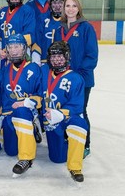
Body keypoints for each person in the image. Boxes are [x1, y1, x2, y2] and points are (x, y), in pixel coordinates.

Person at [53, 0, 98, 158]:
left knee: (80, 111)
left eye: (74, 6)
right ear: (63, 9)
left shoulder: (86, 28)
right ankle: (68, 139)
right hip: (63, 79)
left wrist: (77, 75)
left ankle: (85, 144)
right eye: (67, 6)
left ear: (78, 8)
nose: (70, 9)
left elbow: (92, 55)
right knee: (66, 110)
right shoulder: (59, 29)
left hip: (82, 79)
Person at [41, 41, 88, 182]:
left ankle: (75, 166)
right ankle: (65, 143)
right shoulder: (43, 71)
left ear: (67, 57)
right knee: (57, 158)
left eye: (60, 56)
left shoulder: (75, 78)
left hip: (67, 118)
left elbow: (77, 106)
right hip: (49, 120)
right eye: (53, 57)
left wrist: (60, 114)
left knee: (80, 124)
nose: (56, 60)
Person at [0, 34, 42, 176]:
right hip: (8, 116)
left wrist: (25, 103)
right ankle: (31, 131)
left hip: (26, 112)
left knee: (22, 112)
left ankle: (26, 158)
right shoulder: (5, 69)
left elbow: (42, 95)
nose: (14, 50)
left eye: (17, 46)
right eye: (10, 47)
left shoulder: (34, 69)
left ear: (24, 49)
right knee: (10, 151)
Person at [0, 0, 35, 66]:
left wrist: (14, 50)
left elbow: (30, 35)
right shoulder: (3, 11)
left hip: (20, 54)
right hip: (4, 54)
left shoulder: (27, 10)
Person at [32, 0, 67, 65]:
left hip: (63, 64)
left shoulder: (69, 21)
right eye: (54, 2)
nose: (57, 6)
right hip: (44, 63)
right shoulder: (42, 19)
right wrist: (36, 61)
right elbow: (37, 41)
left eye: (60, 3)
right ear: (50, 4)